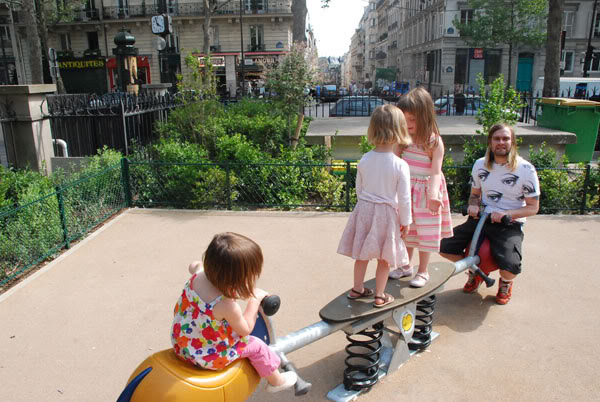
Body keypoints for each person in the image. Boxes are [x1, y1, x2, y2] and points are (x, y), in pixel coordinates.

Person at [171, 232, 297, 393]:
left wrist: (199, 265)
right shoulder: (226, 305)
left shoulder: (198, 275)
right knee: (256, 345)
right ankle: (277, 381)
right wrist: (254, 300)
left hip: (181, 342)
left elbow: (193, 265)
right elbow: (245, 329)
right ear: (235, 279)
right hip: (207, 357)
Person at [439, 123, 540, 304]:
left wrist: (506, 214)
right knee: (443, 247)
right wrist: (473, 205)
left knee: (512, 266)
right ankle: (476, 272)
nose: (501, 142)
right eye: (496, 139)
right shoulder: (480, 165)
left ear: (513, 142)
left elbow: (533, 207)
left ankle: (505, 282)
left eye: (505, 138)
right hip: (482, 218)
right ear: (490, 142)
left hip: (509, 223)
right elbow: (475, 195)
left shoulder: (526, 170)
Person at [337, 104, 412, 307]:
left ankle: (357, 288)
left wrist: (365, 205)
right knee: (384, 258)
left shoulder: (365, 158)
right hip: (387, 213)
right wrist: (406, 222)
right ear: (399, 130)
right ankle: (380, 295)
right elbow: (404, 198)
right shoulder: (400, 165)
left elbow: (359, 188)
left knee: (362, 254)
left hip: (365, 209)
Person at [389, 87, 454, 287]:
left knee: (426, 232)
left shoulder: (434, 142)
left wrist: (434, 195)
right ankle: (405, 265)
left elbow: (435, 171)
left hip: (426, 192)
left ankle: (423, 270)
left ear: (424, 117)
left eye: (412, 120)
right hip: (407, 191)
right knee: (406, 230)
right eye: (404, 119)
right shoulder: (403, 139)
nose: (407, 124)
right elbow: (393, 162)